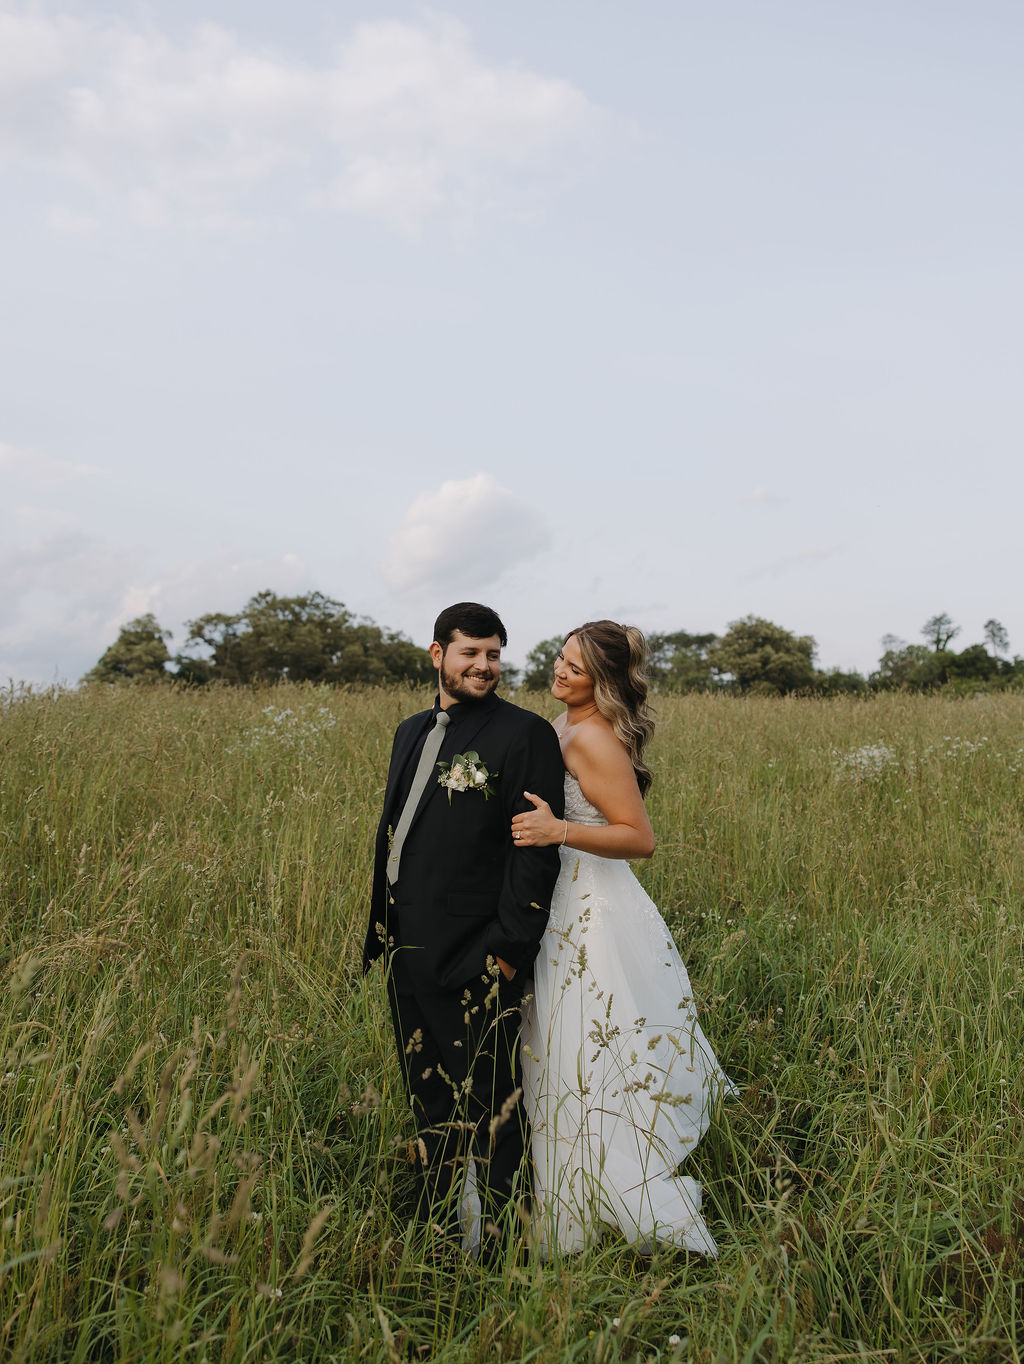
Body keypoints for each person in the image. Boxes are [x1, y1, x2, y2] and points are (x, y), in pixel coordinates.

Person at [510, 621, 734, 1256]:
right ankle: (551, 1179)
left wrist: (559, 832)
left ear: (603, 681)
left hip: (588, 907)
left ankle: (594, 1192)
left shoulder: (594, 737)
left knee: (584, 1045)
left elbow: (639, 837)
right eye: (560, 657)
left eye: (576, 668)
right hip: (557, 895)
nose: (560, 671)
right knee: (552, 1044)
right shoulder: (563, 722)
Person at [363, 602, 565, 1260]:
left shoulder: (525, 735)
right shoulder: (410, 731)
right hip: (406, 951)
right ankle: (441, 1237)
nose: (484, 666)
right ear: (437, 655)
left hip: (476, 955)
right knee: (429, 1105)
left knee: (493, 1112)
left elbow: (535, 855)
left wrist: (506, 952)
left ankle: (508, 1253)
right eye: (470, 653)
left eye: (493, 654)